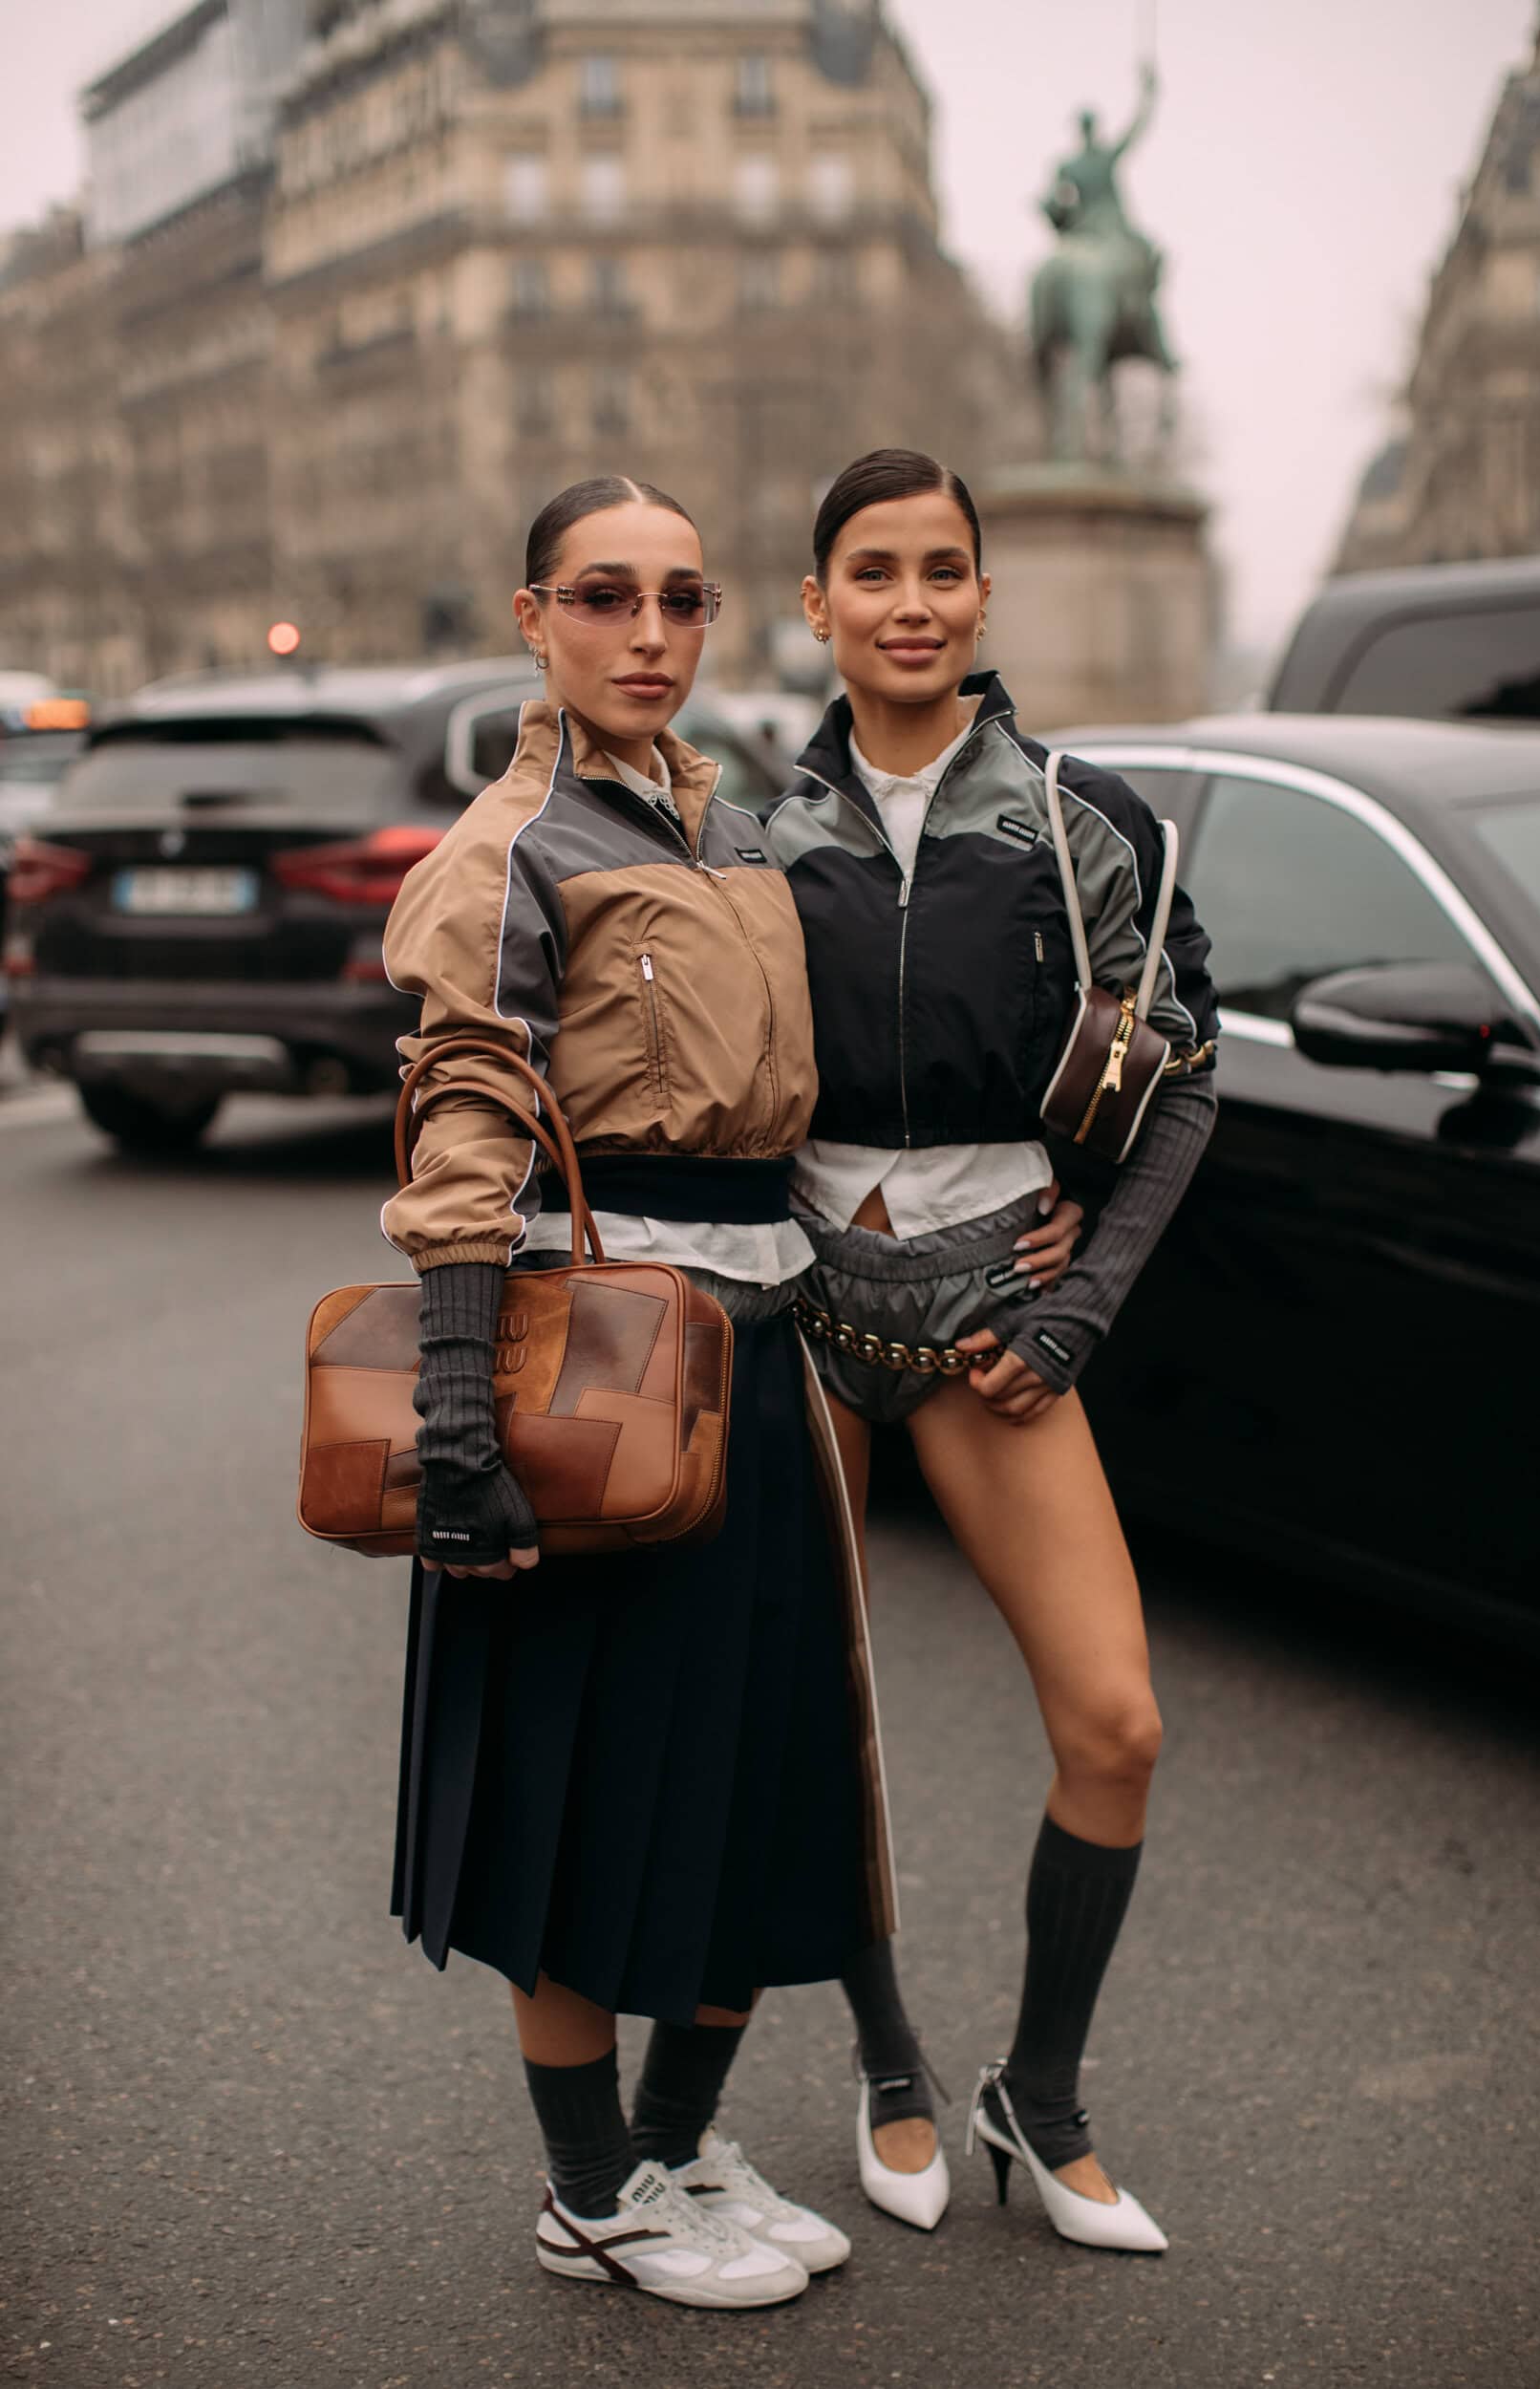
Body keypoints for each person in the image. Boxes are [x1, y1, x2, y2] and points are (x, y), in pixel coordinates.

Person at [379, 474, 889, 2309]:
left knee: (754, 1780)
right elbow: (462, 1137)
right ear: (537, 617)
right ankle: (591, 2190)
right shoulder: (505, 852)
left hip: (760, 1365)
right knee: (582, 1795)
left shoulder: (738, 835)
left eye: (683, 600)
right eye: (609, 599)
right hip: (591, 1368)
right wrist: (457, 1417)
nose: (653, 636)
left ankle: (679, 2149)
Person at [762, 447, 1220, 2252]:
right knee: (825, 1723)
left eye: (943, 569)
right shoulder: (746, 831)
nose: (911, 601)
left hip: (990, 1320)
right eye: (873, 570)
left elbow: (1179, 1073)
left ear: (979, 596)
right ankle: (885, 2058)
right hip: (794, 1304)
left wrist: (1086, 1285)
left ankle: (1039, 2096)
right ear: (820, 606)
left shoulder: (1080, 819)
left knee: (1115, 1720)